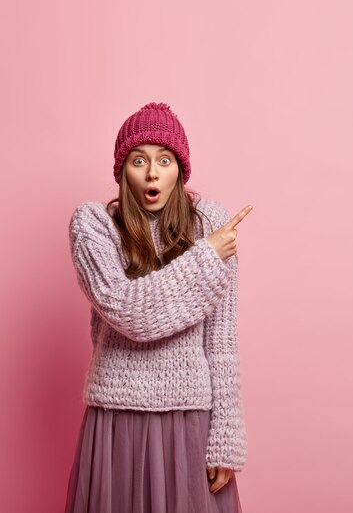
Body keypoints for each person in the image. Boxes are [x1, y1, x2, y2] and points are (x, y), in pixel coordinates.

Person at [64, 102, 252, 513]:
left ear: (179, 170)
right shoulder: (94, 225)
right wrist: (206, 258)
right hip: (116, 422)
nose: (152, 172)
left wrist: (227, 437)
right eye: (139, 160)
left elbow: (220, 341)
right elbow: (129, 312)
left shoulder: (209, 225)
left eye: (164, 160)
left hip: (190, 425)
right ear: (122, 170)